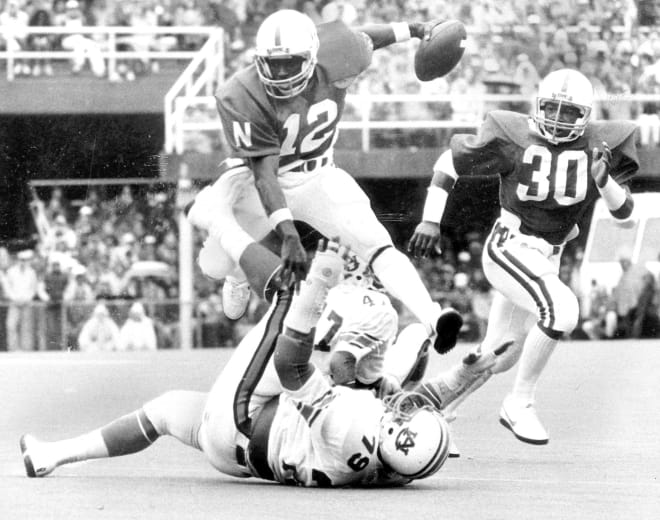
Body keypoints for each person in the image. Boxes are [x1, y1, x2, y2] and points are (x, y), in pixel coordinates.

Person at [20, 237, 506, 486]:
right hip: (242, 457)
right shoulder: (397, 465)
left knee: (283, 302)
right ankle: (51, 455)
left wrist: (316, 287)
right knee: (165, 409)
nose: (406, 408)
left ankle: (237, 263)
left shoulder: (352, 422)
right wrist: (467, 375)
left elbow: (293, 365)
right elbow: (407, 412)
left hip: (243, 418)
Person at [189, 9, 463, 355]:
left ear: (313, 54)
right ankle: (237, 275)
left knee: (376, 243)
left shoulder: (340, 50)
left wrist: (415, 29)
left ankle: (433, 319)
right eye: (274, 64)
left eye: (292, 63)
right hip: (261, 181)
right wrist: (288, 236)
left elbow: (368, 38)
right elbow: (264, 176)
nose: (283, 73)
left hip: (319, 175)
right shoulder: (240, 94)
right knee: (215, 264)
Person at [408, 69, 639, 445]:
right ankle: (520, 403)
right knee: (563, 310)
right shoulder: (511, 132)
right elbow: (448, 163)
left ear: (586, 116)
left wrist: (604, 180)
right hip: (510, 245)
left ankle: (431, 408)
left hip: (548, 255)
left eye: (569, 112)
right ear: (538, 106)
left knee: (501, 354)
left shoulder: (601, 143)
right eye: (551, 108)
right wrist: (431, 220)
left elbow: (626, 219)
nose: (558, 118)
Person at [3, 250, 40, 351]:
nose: (23, 262)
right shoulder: (11, 271)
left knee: (26, 327)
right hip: (14, 303)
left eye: (25, 260)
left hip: (27, 303)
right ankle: (13, 349)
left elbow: (34, 288)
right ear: (17, 260)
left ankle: (26, 349)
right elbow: (7, 288)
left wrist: (27, 298)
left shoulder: (31, 272)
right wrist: (15, 298)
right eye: (21, 260)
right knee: (11, 325)